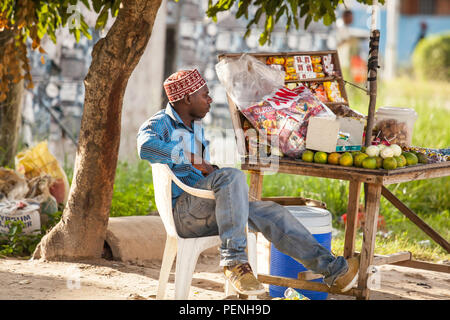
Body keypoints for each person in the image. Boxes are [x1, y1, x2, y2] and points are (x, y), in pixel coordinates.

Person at [137, 69, 360, 296]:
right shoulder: (161, 123)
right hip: (184, 215)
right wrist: (193, 159)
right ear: (187, 99)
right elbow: (145, 147)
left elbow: (199, 174)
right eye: (205, 95)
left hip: (204, 208)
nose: (210, 99)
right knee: (231, 176)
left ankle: (335, 270)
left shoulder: (195, 125)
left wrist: (209, 170)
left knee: (273, 213)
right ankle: (234, 262)